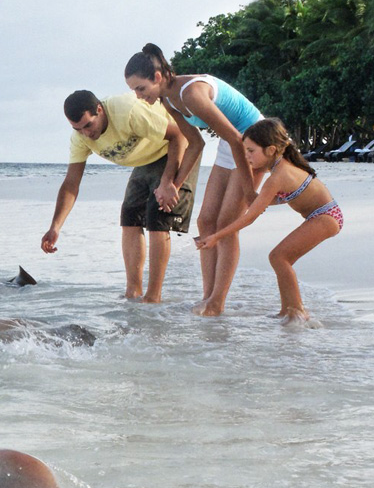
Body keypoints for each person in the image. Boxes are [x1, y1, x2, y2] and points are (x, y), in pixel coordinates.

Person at [124, 44, 263, 317]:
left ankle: (217, 302)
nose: (139, 96)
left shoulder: (192, 93)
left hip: (255, 141)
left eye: (141, 89)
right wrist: (173, 184)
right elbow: (195, 143)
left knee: (226, 224)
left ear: (158, 77)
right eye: (134, 91)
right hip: (230, 144)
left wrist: (249, 191)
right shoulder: (168, 100)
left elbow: (238, 138)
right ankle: (208, 297)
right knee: (205, 221)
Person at [41, 90, 194, 303]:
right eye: (77, 129)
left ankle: (153, 296)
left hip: (176, 147)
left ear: (100, 110)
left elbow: (179, 135)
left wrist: (168, 182)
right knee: (129, 216)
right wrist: (55, 226)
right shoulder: (80, 138)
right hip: (145, 158)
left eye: (88, 125)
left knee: (157, 216)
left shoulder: (127, 111)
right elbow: (70, 184)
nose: (85, 133)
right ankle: (133, 292)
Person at [195, 118, 342, 323]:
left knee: (279, 257)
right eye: (245, 150)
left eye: (251, 151)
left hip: (326, 217)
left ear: (271, 150)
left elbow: (249, 218)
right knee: (279, 258)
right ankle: (287, 310)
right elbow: (263, 203)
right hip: (322, 215)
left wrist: (215, 237)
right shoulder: (280, 168)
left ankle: (297, 311)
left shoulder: (277, 176)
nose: (246, 156)